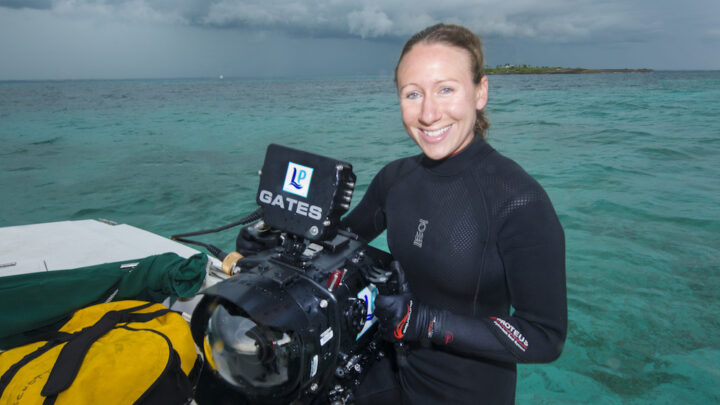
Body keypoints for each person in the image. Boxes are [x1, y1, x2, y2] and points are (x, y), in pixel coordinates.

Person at [342, 23, 567, 404]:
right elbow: (340, 242)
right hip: (389, 371)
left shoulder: (517, 199)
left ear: (480, 92)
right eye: (413, 94)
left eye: (446, 89)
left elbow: (544, 336)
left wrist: (427, 322)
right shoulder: (395, 178)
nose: (429, 114)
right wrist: (281, 235)